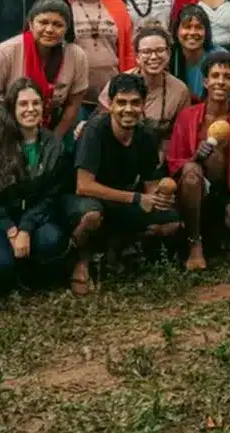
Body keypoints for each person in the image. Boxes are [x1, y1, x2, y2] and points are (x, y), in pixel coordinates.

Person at [69, 73, 181, 293]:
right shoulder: (94, 130)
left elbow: (150, 184)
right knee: (92, 216)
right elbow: (84, 185)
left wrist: (160, 198)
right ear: (110, 105)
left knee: (171, 222)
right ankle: (80, 262)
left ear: (143, 106)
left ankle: (119, 249)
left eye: (135, 102)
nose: (128, 109)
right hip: (84, 198)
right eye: (121, 102)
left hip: (121, 199)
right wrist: (137, 198)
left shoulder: (146, 134)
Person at [0, 78, 70, 293]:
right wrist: (10, 228)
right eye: (23, 104)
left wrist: (26, 227)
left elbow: (52, 196)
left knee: (52, 240)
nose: (30, 109)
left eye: (36, 103)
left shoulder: (54, 145)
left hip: (34, 217)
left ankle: (31, 271)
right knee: (0, 265)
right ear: (12, 108)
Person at [166, 51, 230, 270]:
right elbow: (175, 162)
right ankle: (194, 243)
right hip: (195, 191)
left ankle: (218, 232)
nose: (220, 81)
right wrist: (196, 158)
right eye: (215, 75)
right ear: (205, 82)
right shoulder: (187, 117)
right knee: (191, 172)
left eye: (227, 77)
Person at [0, 0, 89, 141]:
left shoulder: (77, 56)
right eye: (43, 22)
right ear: (30, 24)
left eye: (58, 25)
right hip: (7, 127)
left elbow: (74, 103)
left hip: (51, 127)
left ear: (67, 28)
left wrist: (54, 140)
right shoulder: (6, 51)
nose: (49, 30)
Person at [98, 25, 192, 154]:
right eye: (146, 52)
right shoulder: (118, 84)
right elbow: (101, 125)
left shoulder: (180, 91)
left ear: (169, 53)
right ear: (137, 56)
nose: (153, 57)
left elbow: (177, 135)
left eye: (160, 50)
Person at [64, 0, 135, 113]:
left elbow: (128, 50)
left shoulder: (116, 3)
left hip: (112, 98)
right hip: (72, 100)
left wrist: (127, 87)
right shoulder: (63, 3)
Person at [169, 5, 230, 115]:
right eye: (187, 27)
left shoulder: (219, 58)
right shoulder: (172, 55)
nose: (192, 32)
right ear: (176, 30)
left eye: (198, 27)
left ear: (206, 32)